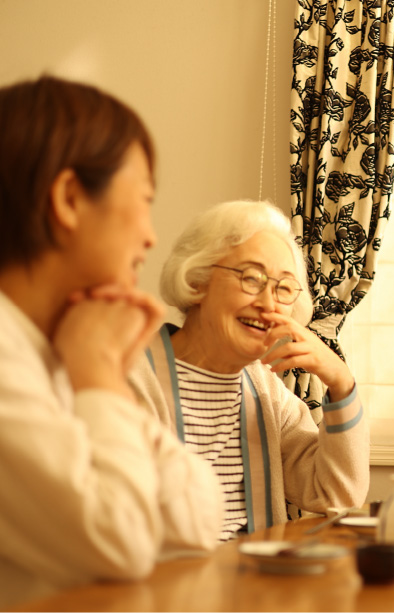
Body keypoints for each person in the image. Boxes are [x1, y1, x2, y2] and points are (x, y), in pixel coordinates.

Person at [0, 75, 223, 608]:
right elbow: (121, 541)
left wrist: (100, 375)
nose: (151, 235)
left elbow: (197, 520)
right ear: (70, 199)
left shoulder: (65, 348)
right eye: (144, 200)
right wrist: (100, 373)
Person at [129, 200, 370, 540]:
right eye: (252, 278)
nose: (268, 304)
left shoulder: (265, 390)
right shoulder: (130, 379)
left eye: (283, 288)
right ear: (197, 281)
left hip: (257, 571)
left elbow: (336, 495)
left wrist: (342, 382)